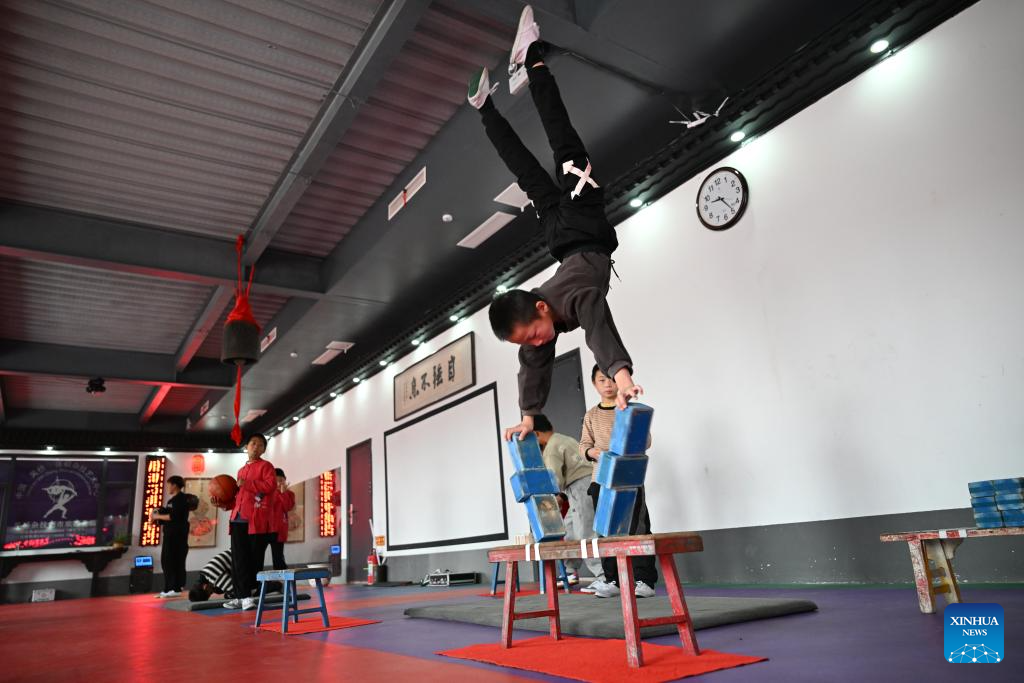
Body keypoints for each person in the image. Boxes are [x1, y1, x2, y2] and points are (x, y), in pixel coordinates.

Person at [469, 6, 642, 443]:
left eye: (532, 334)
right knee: (524, 168)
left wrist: (622, 377)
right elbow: (531, 366)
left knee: (561, 136)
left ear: (542, 309)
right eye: (527, 340)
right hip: (559, 237)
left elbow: (599, 328)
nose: (537, 343)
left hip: (582, 221)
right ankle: (484, 107)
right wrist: (528, 419)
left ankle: (531, 56)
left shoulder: (577, 299)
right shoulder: (539, 325)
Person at [580, 364, 656, 598]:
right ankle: (612, 580)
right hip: (600, 479)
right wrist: (595, 453)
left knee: (638, 529)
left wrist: (630, 439)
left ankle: (644, 581)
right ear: (594, 384)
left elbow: (646, 441)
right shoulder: (591, 415)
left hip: (629, 477)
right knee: (605, 530)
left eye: (612, 379)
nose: (608, 384)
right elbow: (583, 446)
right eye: (601, 380)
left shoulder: (630, 409)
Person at [532, 414, 603, 583]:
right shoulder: (564, 439)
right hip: (585, 484)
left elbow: (554, 480)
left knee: (586, 531)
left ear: (535, 434)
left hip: (580, 487)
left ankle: (603, 575)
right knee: (570, 529)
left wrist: (550, 499)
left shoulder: (550, 449)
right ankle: (570, 571)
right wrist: (563, 496)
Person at [224, 433, 277, 611]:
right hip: (237, 519)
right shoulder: (241, 470)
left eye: (260, 445)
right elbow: (238, 497)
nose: (256, 447)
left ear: (263, 450)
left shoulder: (266, 466)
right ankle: (240, 596)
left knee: (253, 559)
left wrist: (246, 484)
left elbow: (270, 486)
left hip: (255, 521)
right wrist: (224, 504)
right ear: (246, 447)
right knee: (238, 559)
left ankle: (249, 596)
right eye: (253, 443)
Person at [150, 475, 190, 598]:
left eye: (169, 485)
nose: (167, 487)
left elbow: (173, 517)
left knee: (174, 561)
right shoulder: (171, 501)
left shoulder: (181, 499)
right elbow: (167, 517)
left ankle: (175, 588)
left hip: (177, 536)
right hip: (169, 535)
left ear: (174, 485)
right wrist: (157, 516)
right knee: (167, 561)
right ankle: (168, 588)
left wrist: (157, 516)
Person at [269, 468, 296, 570]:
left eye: (281, 480)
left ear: (285, 480)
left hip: (278, 529)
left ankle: (281, 578)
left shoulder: (290, 494)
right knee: (257, 555)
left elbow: (287, 507)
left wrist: (283, 493)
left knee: (278, 557)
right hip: (265, 528)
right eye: (276, 480)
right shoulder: (268, 493)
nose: (279, 483)